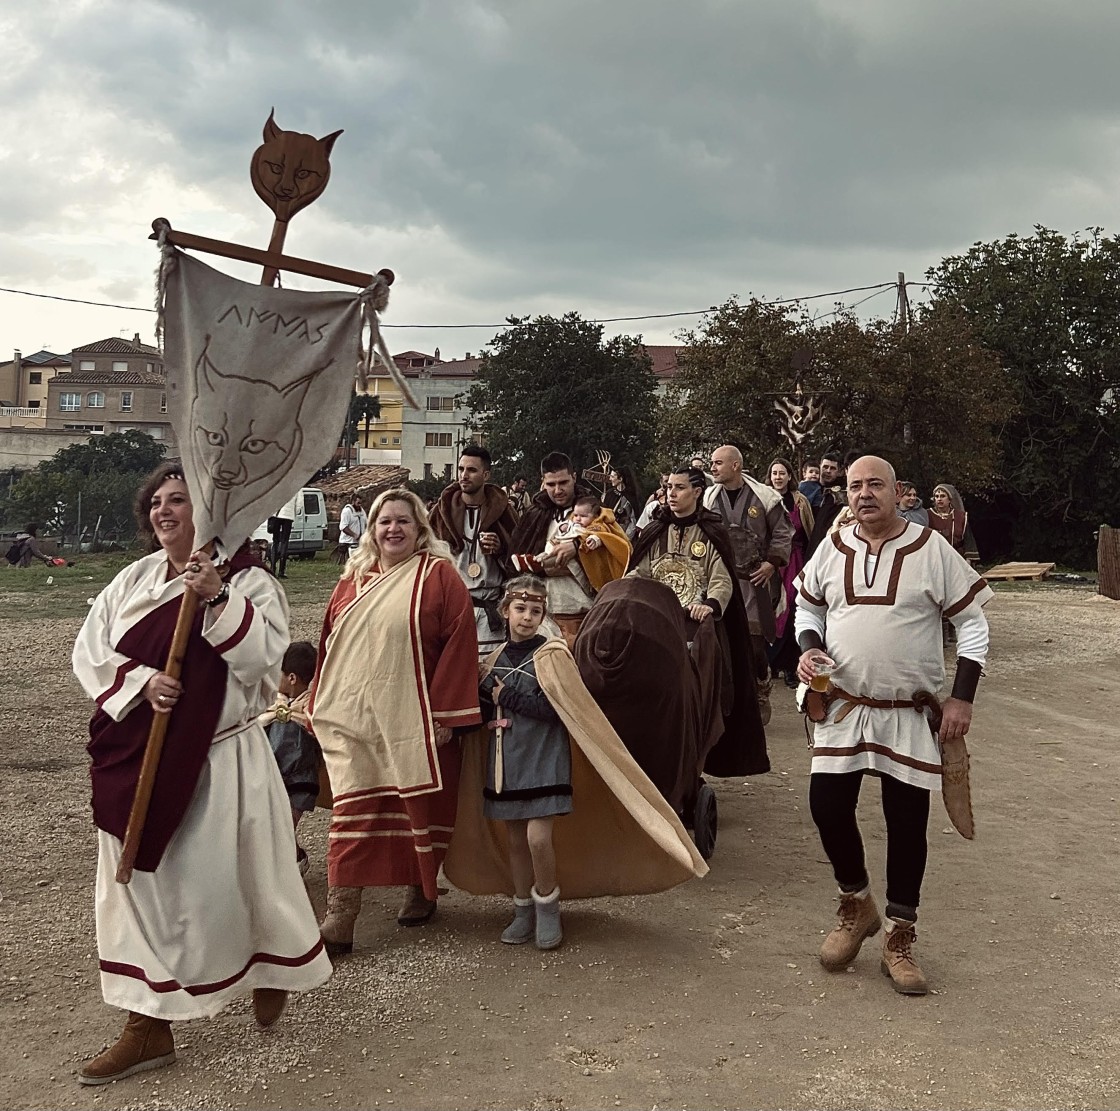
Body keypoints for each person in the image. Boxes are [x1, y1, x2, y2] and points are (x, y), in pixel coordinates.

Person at [71, 463, 331, 1085]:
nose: (164, 511)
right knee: (134, 888)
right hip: (137, 754)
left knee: (234, 886)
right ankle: (147, 1025)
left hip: (221, 762)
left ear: (208, 514)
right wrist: (139, 681)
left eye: (179, 501)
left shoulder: (252, 583)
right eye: (156, 502)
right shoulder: (132, 579)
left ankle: (270, 967)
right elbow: (89, 648)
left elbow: (264, 662)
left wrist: (216, 596)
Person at [794, 455, 993, 995]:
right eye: (855, 486)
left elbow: (973, 624)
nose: (863, 494)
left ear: (896, 491)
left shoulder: (932, 550)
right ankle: (856, 905)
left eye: (874, 485)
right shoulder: (832, 546)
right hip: (842, 704)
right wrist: (810, 650)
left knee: (906, 823)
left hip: (908, 714)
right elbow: (806, 609)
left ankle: (900, 936)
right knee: (826, 806)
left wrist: (962, 699)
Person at [311, 490, 482, 952]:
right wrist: (317, 700)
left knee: (417, 810)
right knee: (352, 811)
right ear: (372, 529)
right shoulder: (353, 580)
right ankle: (340, 916)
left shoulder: (439, 577)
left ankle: (420, 891)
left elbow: (459, 644)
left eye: (403, 521)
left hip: (418, 718)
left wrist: (447, 713)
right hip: (357, 717)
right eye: (384, 521)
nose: (393, 529)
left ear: (420, 529)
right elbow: (330, 643)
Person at [627, 466, 769, 776]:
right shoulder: (654, 530)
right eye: (668, 488)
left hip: (697, 623)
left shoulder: (711, 531)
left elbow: (721, 577)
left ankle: (695, 757)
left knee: (700, 690)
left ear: (697, 492)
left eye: (679, 488)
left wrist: (710, 604)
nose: (671, 494)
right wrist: (632, 587)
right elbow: (639, 570)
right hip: (657, 621)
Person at [478, 576, 574, 949]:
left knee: (537, 837)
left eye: (536, 611)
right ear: (505, 611)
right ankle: (523, 911)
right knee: (516, 840)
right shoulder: (493, 659)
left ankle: (548, 907)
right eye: (520, 609)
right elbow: (485, 707)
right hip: (508, 758)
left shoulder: (551, 656)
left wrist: (509, 695)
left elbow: (557, 710)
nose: (527, 617)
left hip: (545, 756)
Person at [705, 445, 792, 726]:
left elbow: (781, 533)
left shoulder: (765, 498)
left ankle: (762, 686)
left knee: (755, 646)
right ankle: (730, 704)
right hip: (721, 579)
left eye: (719, 463)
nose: (713, 467)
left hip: (756, 580)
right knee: (724, 643)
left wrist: (771, 563)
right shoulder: (708, 498)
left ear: (735, 466)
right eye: (712, 463)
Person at [428, 445, 519, 659]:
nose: (464, 475)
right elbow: (425, 554)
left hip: (490, 611)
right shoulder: (441, 513)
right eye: (461, 469)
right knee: (454, 672)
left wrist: (500, 549)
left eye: (471, 470)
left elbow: (519, 555)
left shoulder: (504, 511)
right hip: (453, 608)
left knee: (489, 675)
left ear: (486, 474)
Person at [507, 451, 599, 648]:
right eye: (551, 484)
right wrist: (545, 567)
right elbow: (514, 561)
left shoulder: (595, 512)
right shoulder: (534, 514)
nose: (557, 490)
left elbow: (611, 554)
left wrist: (577, 548)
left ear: (574, 478)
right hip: (540, 615)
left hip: (583, 612)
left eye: (563, 482)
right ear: (543, 482)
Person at [258, 640, 323, 876]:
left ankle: (291, 866)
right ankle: (294, 856)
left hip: (300, 779)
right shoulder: (270, 703)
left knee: (283, 825)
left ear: (292, 678)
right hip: (273, 775)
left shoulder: (311, 707)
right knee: (272, 824)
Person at [765, 456, 815, 689]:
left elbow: (809, 531)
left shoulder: (800, 501)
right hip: (770, 563)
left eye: (782, 473)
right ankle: (770, 663)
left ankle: (789, 666)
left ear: (789, 476)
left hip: (794, 560)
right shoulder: (763, 499)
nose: (778, 477)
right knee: (771, 610)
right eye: (774, 473)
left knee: (793, 608)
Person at [546, 492, 631, 591]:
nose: (578, 519)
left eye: (583, 516)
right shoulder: (574, 522)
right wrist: (562, 528)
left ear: (594, 516)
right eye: (576, 515)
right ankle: (538, 561)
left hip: (589, 562)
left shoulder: (598, 525)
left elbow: (602, 535)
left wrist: (594, 540)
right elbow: (565, 529)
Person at [806, 449, 855, 556]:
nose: (828, 471)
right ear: (820, 466)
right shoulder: (806, 489)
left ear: (839, 472)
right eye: (825, 467)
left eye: (832, 468)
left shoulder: (839, 496)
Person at [929, 483, 978, 560]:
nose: (939, 499)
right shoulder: (927, 515)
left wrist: (968, 560)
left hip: (957, 557)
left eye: (943, 496)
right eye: (937, 496)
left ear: (949, 499)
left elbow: (968, 540)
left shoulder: (960, 517)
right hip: (934, 557)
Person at [604, 466, 639, 540]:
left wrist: (627, 538)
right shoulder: (609, 494)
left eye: (613, 477)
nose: (610, 479)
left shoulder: (631, 496)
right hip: (609, 533)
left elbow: (633, 519)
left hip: (625, 534)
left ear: (620, 479)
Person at [267, 493, 297, 578]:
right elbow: (299, 505)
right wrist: (293, 513)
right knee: (285, 542)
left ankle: (272, 568)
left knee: (275, 541)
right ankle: (281, 571)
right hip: (288, 516)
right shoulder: (297, 486)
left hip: (276, 515)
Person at [337, 493, 367, 560]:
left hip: (359, 542)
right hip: (348, 543)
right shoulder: (346, 511)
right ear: (353, 502)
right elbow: (343, 527)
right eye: (358, 503)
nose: (360, 505)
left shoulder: (362, 511)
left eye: (361, 503)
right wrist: (354, 535)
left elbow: (366, 523)